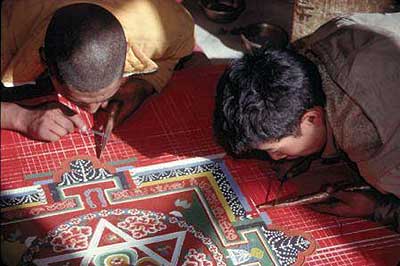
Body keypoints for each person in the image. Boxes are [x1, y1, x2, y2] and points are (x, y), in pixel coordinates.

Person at [213, 13, 400, 231]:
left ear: (311, 118)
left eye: (277, 150)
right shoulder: (328, 37)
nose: (274, 158)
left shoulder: (381, 159)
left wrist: (378, 207)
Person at [1, 1, 195, 142]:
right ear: (44, 60)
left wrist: (143, 85)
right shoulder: (10, 32)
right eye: (79, 102)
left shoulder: (169, 29)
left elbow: (172, 57)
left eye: (103, 96)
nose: (93, 111)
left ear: (126, 52)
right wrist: (20, 117)